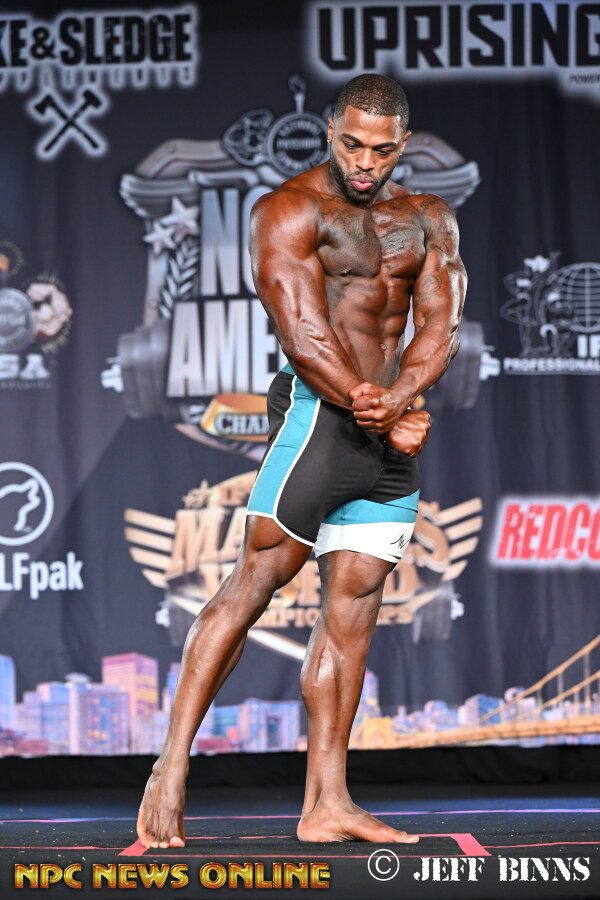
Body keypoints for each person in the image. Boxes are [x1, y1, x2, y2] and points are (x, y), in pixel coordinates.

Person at [137, 73, 466, 847]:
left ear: (403, 145)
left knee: (353, 614)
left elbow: (441, 323)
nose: (364, 162)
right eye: (351, 144)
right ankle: (171, 766)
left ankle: (327, 803)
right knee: (253, 584)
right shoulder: (289, 209)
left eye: (380, 149)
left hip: (388, 435)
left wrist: (402, 396)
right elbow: (302, 330)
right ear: (329, 131)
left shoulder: (429, 218)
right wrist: (377, 407)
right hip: (320, 423)